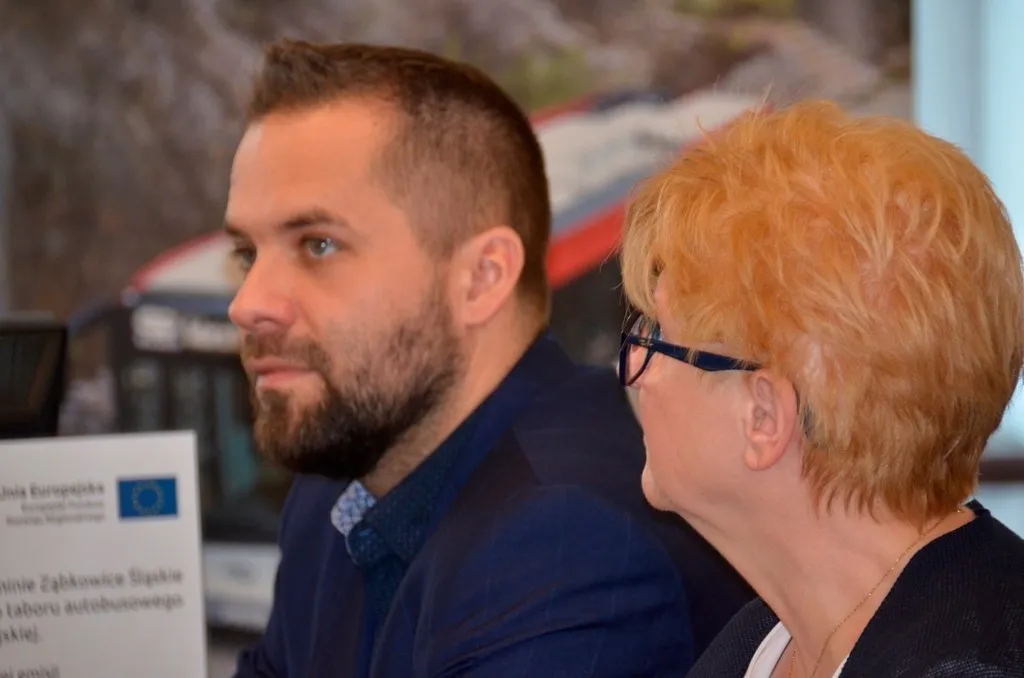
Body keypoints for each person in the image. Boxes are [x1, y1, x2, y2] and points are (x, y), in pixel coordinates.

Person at [226, 38, 753, 678]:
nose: (248, 303)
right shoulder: (332, 493)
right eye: (247, 254)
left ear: (482, 277)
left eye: (318, 245)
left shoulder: (568, 540)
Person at [617, 98, 1024, 677]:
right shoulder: (767, 639)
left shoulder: (973, 662)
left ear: (763, 417)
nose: (634, 366)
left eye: (657, 336)